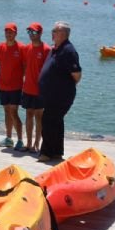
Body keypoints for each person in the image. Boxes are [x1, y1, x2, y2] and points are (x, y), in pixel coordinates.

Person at [38, 21, 82, 162]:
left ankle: (46, 153)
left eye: (55, 31)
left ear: (63, 34)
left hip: (60, 96)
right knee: (56, 122)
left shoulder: (68, 51)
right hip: (52, 95)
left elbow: (77, 74)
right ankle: (57, 152)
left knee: (48, 121)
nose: (52, 33)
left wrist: (63, 86)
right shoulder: (56, 48)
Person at [21, 22, 51, 153]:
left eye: (34, 32)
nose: (31, 35)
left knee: (39, 117)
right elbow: (24, 66)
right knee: (28, 115)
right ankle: (28, 143)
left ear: (40, 33)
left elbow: (49, 71)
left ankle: (37, 143)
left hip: (40, 90)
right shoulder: (26, 48)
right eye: (29, 32)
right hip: (28, 87)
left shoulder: (46, 50)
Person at [0, 22, 25, 151]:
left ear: (15, 33)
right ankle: (8, 138)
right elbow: (0, 65)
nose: (9, 34)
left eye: (11, 32)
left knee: (14, 112)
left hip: (16, 86)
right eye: (7, 32)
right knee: (6, 111)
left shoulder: (22, 48)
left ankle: (20, 140)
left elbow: (24, 68)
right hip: (2, 85)